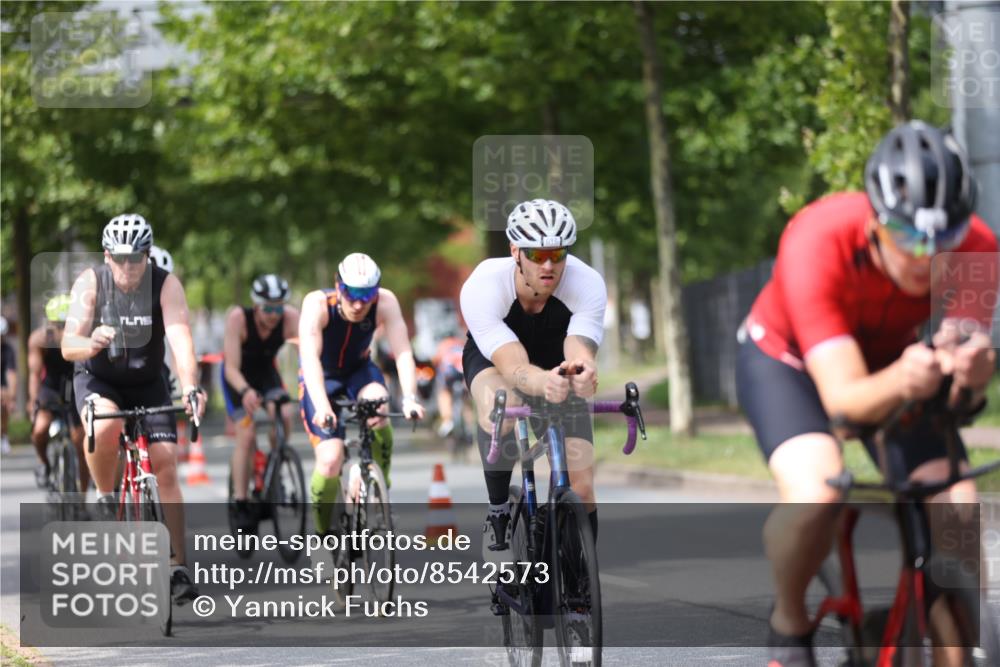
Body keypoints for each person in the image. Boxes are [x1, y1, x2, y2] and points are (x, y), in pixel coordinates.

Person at [735, 121, 997, 667]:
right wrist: (906, 378)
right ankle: (789, 623)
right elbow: (845, 403)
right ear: (876, 224)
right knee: (818, 493)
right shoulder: (817, 238)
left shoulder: (978, 247)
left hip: (893, 358)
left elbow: (961, 385)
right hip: (791, 363)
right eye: (909, 238)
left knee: (957, 513)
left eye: (942, 239)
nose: (927, 257)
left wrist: (972, 372)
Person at [62, 213, 207, 603]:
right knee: (105, 428)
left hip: (147, 382)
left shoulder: (165, 284)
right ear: (107, 256)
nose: (128, 266)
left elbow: (181, 339)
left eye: (137, 258)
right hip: (99, 378)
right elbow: (67, 344)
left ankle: (178, 566)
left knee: (166, 462)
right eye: (120, 258)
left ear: (148, 256)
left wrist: (191, 386)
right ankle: (106, 496)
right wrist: (90, 341)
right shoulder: (91, 282)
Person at [459, 199, 606, 562]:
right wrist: (542, 385)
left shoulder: (586, 283)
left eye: (557, 254)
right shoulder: (483, 286)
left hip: (555, 361)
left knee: (583, 488)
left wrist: (582, 372)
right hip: (497, 359)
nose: (548, 265)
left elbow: (579, 348)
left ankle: (579, 588)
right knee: (504, 406)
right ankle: (498, 512)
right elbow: (514, 366)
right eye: (536, 254)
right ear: (515, 251)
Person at [298, 252, 424, 536]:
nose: (358, 304)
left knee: (379, 406)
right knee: (330, 459)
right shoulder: (317, 304)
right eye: (351, 294)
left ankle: (380, 483)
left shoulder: (386, 301)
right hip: (321, 376)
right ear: (337, 285)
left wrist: (410, 398)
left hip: (359, 371)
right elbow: (309, 360)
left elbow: (403, 351)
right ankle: (322, 536)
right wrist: (322, 407)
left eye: (366, 296)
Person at [222, 274, 299, 529]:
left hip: (267, 374)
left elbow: (309, 354)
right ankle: (242, 501)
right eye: (268, 308)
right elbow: (231, 367)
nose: (274, 314)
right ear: (256, 305)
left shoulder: (290, 319)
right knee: (247, 433)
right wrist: (245, 391)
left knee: (286, 414)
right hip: (238, 379)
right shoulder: (238, 319)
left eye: (278, 307)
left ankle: (275, 464)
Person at [28, 294, 87, 492]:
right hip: (51, 387)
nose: (63, 330)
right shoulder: (39, 340)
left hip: (75, 386)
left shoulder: (82, 336)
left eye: (67, 324)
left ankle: (81, 499)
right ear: (50, 323)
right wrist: (34, 402)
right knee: (40, 428)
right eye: (58, 325)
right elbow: (35, 374)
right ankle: (43, 462)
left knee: (81, 442)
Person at [433, 329, 467, 438]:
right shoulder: (460, 343)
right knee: (466, 397)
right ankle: (469, 424)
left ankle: (447, 421)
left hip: (450, 373)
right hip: (463, 372)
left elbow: (436, 361)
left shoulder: (443, 345)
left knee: (443, 392)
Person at [1, 316, 16, 454]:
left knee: (4, 403)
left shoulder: (8, 350)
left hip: (2, 386)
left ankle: (3, 436)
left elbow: (11, 373)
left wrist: (11, 396)